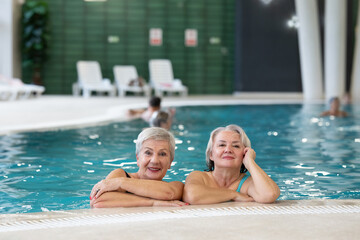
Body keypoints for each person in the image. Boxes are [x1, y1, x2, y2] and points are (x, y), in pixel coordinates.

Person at [183, 124, 280, 204]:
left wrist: (250, 162)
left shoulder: (246, 183)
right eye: (221, 145)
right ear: (211, 154)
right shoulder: (200, 177)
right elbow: (191, 196)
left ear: (244, 153)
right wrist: (234, 194)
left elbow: (269, 195)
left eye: (236, 146)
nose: (228, 150)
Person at [90, 127, 186, 208]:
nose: (155, 160)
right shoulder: (121, 175)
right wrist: (153, 203)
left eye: (162, 154)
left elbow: (169, 193)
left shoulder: (176, 186)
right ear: (138, 158)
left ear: (170, 162)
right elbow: (98, 201)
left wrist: (121, 183)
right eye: (148, 153)